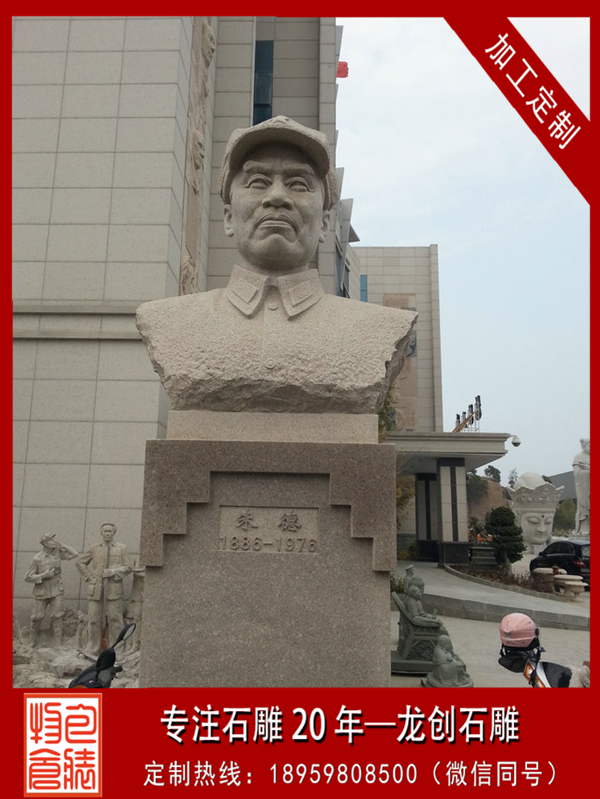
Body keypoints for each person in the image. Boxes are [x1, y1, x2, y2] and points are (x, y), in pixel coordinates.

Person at [136, 115, 417, 414]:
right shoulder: (170, 322)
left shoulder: (376, 331)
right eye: (258, 182)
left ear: (324, 223)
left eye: (299, 184)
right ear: (228, 218)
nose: (278, 197)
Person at [76, 523, 131, 659]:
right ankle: (92, 649)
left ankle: (116, 650)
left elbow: (128, 567)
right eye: (105, 531)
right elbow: (80, 562)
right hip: (96, 590)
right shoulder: (94, 548)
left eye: (110, 531)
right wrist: (89, 577)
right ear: (101, 532)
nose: (107, 533)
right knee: (94, 619)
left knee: (115, 619)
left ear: (114, 532)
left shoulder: (121, 548)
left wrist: (114, 572)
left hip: (114, 589)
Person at [24, 533, 78, 647]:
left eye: (54, 540)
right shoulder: (37, 559)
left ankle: (58, 643)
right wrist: (43, 575)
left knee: (57, 616)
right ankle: (32, 642)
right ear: (45, 543)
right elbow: (28, 577)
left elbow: (74, 554)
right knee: (37, 617)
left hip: (56, 588)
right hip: (41, 590)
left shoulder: (57, 553)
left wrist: (61, 545)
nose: (54, 542)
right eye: (51, 540)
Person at [573, 438, 590, 535]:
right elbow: (576, 473)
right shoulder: (579, 457)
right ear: (584, 446)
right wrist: (588, 472)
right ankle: (585, 525)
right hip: (584, 487)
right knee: (585, 507)